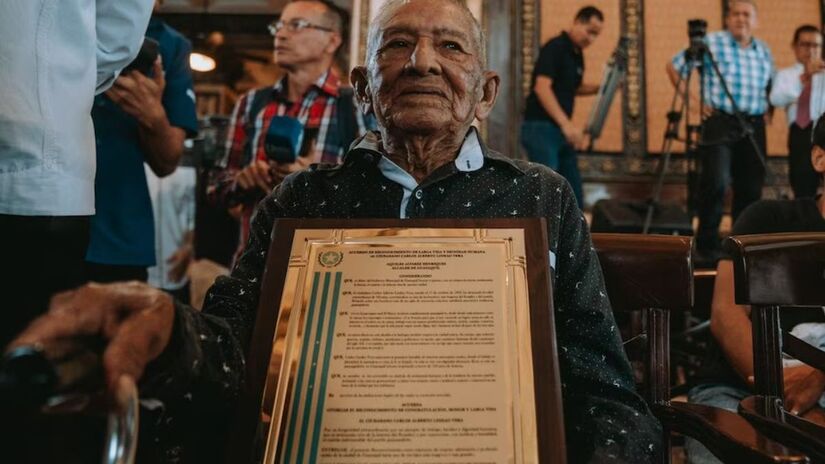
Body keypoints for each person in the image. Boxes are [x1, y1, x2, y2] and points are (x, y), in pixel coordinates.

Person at [7, 0, 662, 462]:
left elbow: (604, 392)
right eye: (397, 45)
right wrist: (172, 327)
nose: (422, 63)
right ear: (362, 88)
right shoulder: (307, 199)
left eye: (450, 46)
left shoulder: (539, 197)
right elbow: (234, 352)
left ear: (486, 92)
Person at [0, 0, 154, 347]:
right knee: (26, 357)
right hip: (39, 162)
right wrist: (59, 80)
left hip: (36, 176)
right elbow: (120, 34)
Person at [685, 116, 825, 464]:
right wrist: (779, 383)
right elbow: (726, 314)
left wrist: (818, 377)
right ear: (820, 158)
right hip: (736, 388)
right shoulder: (767, 219)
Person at [208, 0, 372, 262]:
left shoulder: (354, 105)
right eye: (279, 26)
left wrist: (317, 180)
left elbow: (373, 193)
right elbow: (216, 187)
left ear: (332, 41)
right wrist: (242, 180)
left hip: (325, 263)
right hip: (254, 266)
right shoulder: (251, 104)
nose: (281, 35)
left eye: (296, 25)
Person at [85, 0, 199, 284]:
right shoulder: (61, 24)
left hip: (119, 232)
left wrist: (153, 115)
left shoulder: (170, 45)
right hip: (41, 214)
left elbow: (167, 161)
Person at [666, 0, 774, 263]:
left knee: (751, 187)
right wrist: (693, 102)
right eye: (736, 14)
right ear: (727, 19)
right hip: (720, 121)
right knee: (716, 181)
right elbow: (674, 66)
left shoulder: (763, 50)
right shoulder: (712, 42)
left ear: (755, 21)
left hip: (753, 125)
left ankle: (740, 245)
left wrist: (768, 110)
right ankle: (707, 246)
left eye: (746, 14)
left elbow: (770, 84)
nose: (741, 18)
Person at [521, 6, 604, 208]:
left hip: (560, 130)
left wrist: (601, 88)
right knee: (547, 191)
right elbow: (542, 87)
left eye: (596, 35)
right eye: (590, 31)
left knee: (573, 193)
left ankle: (572, 228)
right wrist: (566, 125)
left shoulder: (577, 55)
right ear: (578, 22)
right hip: (541, 128)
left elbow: (572, 87)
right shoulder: (555, 47)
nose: (591, 39)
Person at [770, 25, 825, 199]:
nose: (811, 50)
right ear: (794, 46)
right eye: (805, 45)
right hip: (800, 133)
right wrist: (805, 79)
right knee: (802, 182)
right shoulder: (786, 75)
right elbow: (776, 99)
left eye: (816, 45)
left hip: (823, 129)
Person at [145, 163, 196, 304]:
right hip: (137, 272)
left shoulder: (187, 167)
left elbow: (192, 213)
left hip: (174, 269)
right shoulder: (133, 163)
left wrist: (188, 247)